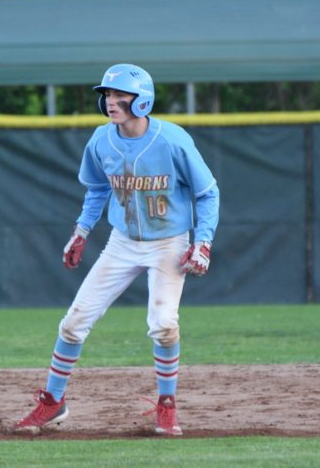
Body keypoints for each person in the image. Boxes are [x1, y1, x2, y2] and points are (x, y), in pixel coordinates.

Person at [14, 63, 219, 436]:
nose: (111, 101)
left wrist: (203, 242)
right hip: (121, 243)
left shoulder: (172, 140)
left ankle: (167, 406)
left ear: (143, 101)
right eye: (107, 95)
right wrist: (81, 231)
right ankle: (53, 402)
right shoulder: (100, 140)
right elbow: (97, 189)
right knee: (74, 323)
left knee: (163, 325)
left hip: (168, 243)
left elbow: (208, 193)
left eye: (120, 95)